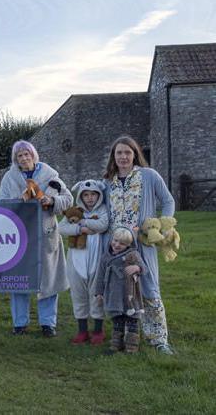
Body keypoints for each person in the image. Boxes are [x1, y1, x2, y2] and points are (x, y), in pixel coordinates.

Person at [103, 135, 175, 354]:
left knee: (149, 286)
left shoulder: (149, 175)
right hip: (117, 246)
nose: (123, 157)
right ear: (113, 157)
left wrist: (162, 226)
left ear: (135, 154)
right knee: (121, 288)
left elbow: (168, 200)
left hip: (142, 243)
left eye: (128, 152)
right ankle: (125, 334)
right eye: (119, 153)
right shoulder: (108, 182)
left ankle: (159, 339)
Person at [0, 140, 72, 337]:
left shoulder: (49, 174)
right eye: (19, 155)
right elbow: (0, 204)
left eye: (27, 154)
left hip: (46, 233)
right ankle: (19, 323)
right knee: (18, 278)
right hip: (19, 234)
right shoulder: (10, 177)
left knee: (48, 278)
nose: (24, 158)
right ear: (16, 159)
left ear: (33, 155)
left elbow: (68, 199)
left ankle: (48, 324)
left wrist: (51, 200)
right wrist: (20, 201)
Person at [58, 179, 109, 345]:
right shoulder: (75, 210)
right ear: (80, 196)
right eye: (86, 195)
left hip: (96, 259)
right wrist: (80, 229)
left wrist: (83, 221)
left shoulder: (102, 210)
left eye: (93, 194)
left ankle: (98, 330)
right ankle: (82, 330)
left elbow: (103, 224)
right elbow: (62, 228)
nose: (90, 198)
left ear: (99, 196)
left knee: (96, 295)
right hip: (77, 259)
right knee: (78, 294)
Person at [95, 226, 146, 354]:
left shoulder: (132, 255)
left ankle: (132, 346)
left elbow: (144, 268)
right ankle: (116, 345)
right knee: (117, 320)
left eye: (122, 243)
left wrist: (137, 268)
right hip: (113, 293)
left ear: (129, 244)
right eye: (115, 241)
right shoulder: (106, 256)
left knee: (132, 320)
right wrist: (99, 292)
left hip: (130, 293)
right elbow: (100, 275)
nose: (117, 245)